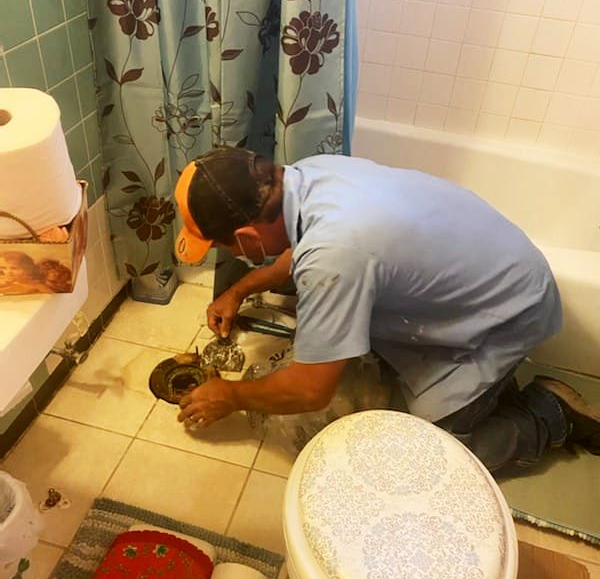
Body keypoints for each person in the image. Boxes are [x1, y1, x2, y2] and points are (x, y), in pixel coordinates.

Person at [173, 147, 600, 472]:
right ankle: (487, 395)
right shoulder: (309, 174)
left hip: (505, 312)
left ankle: (549, 415)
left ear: (247, 237)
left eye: (224, 245)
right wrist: (241, 290)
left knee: (421, 460)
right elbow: (300, 251)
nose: (230, 253)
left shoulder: (335, 251)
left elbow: (309, 390)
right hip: (489, 275)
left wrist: (231, 395)